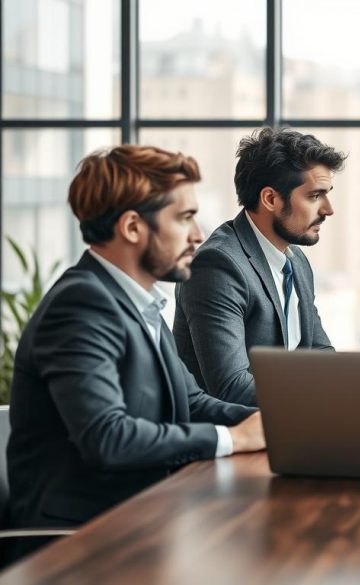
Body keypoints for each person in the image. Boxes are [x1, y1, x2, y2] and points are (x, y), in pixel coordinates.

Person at [6, 145, 265, 555]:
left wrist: (275, 423)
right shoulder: (81, 305)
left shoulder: (138, 299)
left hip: (142, 516)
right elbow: (108, 437)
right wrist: (232, 439)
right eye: (184, 218)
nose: (198, 234)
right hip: (79, 542)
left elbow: (192, 401)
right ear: (131, 227)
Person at [174, 128, 343, 406]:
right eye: (315, 196)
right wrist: (317, 400)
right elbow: (231, 386)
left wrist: (355, 392)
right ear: (270, 199)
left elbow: (320, 352)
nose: (328, 209)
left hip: (285, 426)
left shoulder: (295, 261)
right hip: (228, 439)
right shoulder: (218, 265)